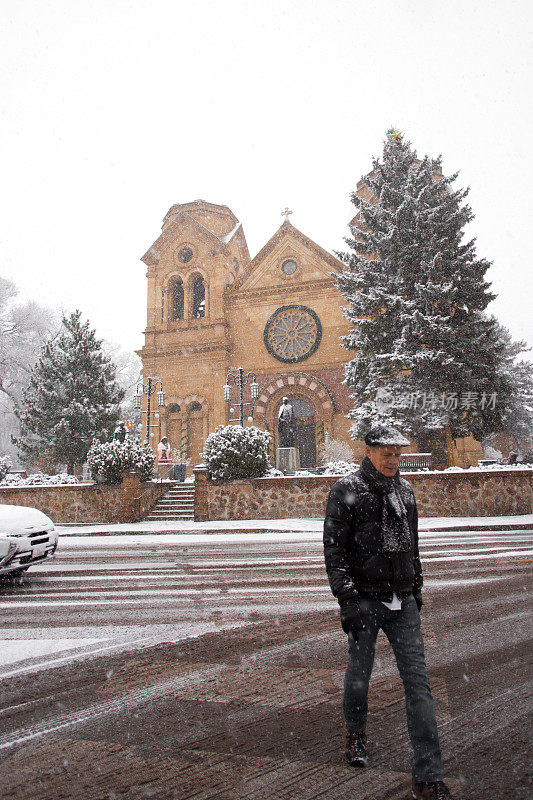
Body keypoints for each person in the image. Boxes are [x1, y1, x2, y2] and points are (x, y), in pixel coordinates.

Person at [323, 425, 454, 800]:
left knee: (419, 686)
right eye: (387, 453)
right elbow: (335, 551)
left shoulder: (405, 491)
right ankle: (356, 734)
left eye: (397, 453)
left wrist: (416, 587)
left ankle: (427, 776)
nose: (393, 459)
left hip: (403, 600)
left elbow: (412, 546)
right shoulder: (347, 489)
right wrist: (347, 599)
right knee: (359, 674)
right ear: (368, 451)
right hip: (365, 599)